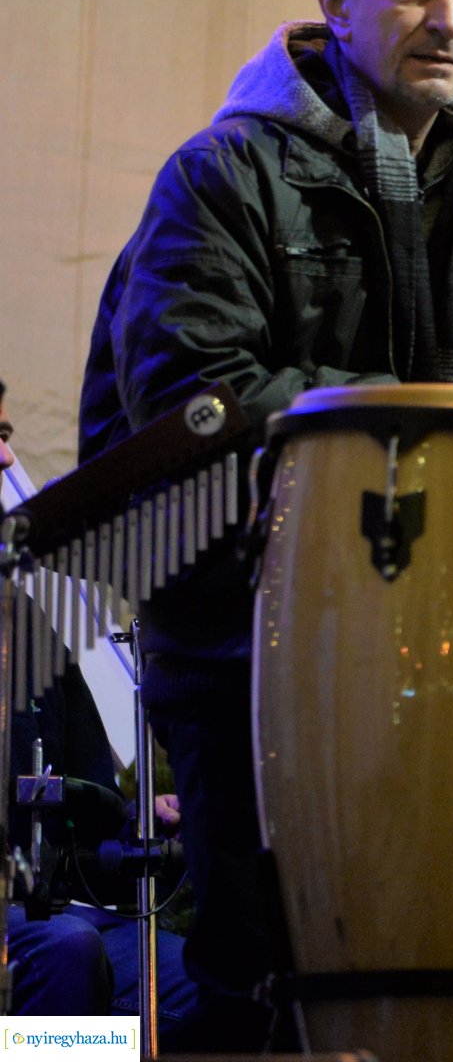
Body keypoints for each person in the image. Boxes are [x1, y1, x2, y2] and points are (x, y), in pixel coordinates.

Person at [77, 0, 453, 1040]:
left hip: (443, 635)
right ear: (335, 1)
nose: (445, 19)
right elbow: (198, 401)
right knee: (274, 964)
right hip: (242, 633)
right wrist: (433, 415)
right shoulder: (222, 175)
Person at [1, 376, 208, 1040]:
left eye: (5, 436)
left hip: (57, 907)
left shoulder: (24, 618)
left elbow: (85, 831)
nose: (8, 459)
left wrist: (137, 822)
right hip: (43, 930)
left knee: (213, 982)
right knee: (66, 954)